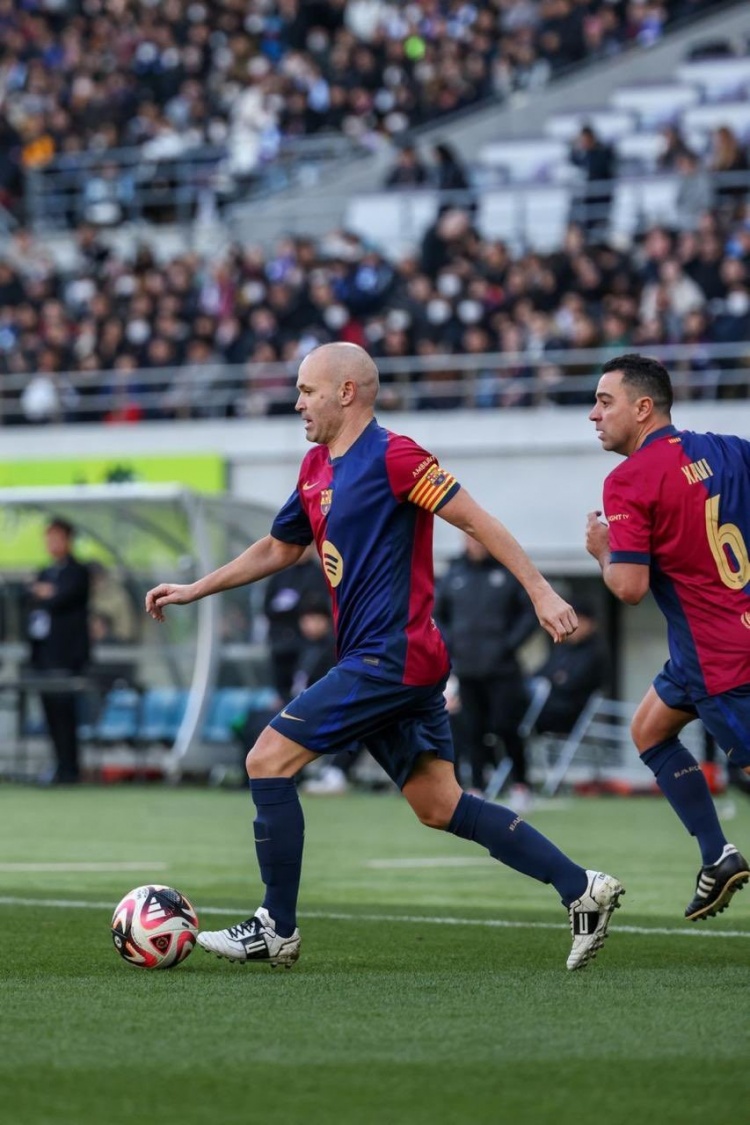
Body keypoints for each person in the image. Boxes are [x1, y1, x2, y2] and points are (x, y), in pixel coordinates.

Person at [146, 342, 623, 972]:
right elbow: (279, 547)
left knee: (266, 759)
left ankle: (275, 927)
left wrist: (540, 591)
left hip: (391, 656)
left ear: (346, 392)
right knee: (438, 805)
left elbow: (476, 521)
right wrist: (196, 588)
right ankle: (581, 887)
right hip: (388, 661)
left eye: (307, 391)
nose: (297, 403)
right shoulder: (316, 466)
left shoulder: (396, 456)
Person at [585, 352, 750, 923]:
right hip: (708, 647)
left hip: (720, 660)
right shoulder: (728, 449)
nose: (594, 415)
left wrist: (603, 552)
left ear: (643, 408)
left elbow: (629, 587)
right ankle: (718, 856)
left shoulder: (628, 479)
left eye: (605, 402)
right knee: (649, 730)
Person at [435, 534, 538, 804]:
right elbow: (437, 614)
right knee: (471, 729)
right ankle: (478, 787)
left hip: (503, 669)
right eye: (469, 540)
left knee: (506, 726)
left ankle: (521, 785)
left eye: (479, 539)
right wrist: (451, 643)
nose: (475, 544)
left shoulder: (507, 571)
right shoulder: (454, 574)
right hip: (466, 668)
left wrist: (508, 644)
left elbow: (529, 613)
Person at [26, 517, 90, 784]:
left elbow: (63, 598)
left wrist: (47, 593)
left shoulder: (78, 571)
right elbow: (30, 598)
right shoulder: (45, 571)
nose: (51, 543)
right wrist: (44, 592)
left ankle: (70, 769)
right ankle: (58, 765)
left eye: (56, 537)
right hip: (44, 655)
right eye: (48, 538)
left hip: (66, 656)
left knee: (66, 712)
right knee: (50, 713)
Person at [531, 598, 610, 735]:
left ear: (590, 623)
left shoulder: (594, 652)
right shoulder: (564, 647)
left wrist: (554, 679)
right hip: (547, 705)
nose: (572, 626)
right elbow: (543, 673)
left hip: (568, 713)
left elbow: (569, 683)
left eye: (577, 621)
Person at [262, 544, 329, 701]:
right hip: (280, 643)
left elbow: (319, 605)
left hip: (306, 643)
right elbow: (267, 606)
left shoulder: (318, 575)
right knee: (283, 690)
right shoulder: (280, 575)